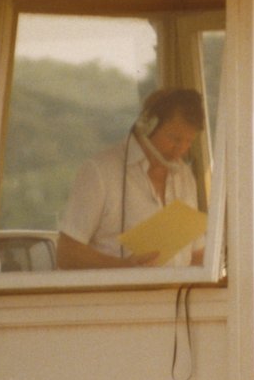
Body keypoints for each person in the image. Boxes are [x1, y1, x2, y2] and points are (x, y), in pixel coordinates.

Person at [56, 88, 206, 269]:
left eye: (188, 141)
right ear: (147, 125)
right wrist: (122, 266)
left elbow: (196, 254)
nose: (180, 149)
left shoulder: (185, 176)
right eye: (174, 138)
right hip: (120, 296)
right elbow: (66, 254)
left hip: (176, 296)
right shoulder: (100, 171)